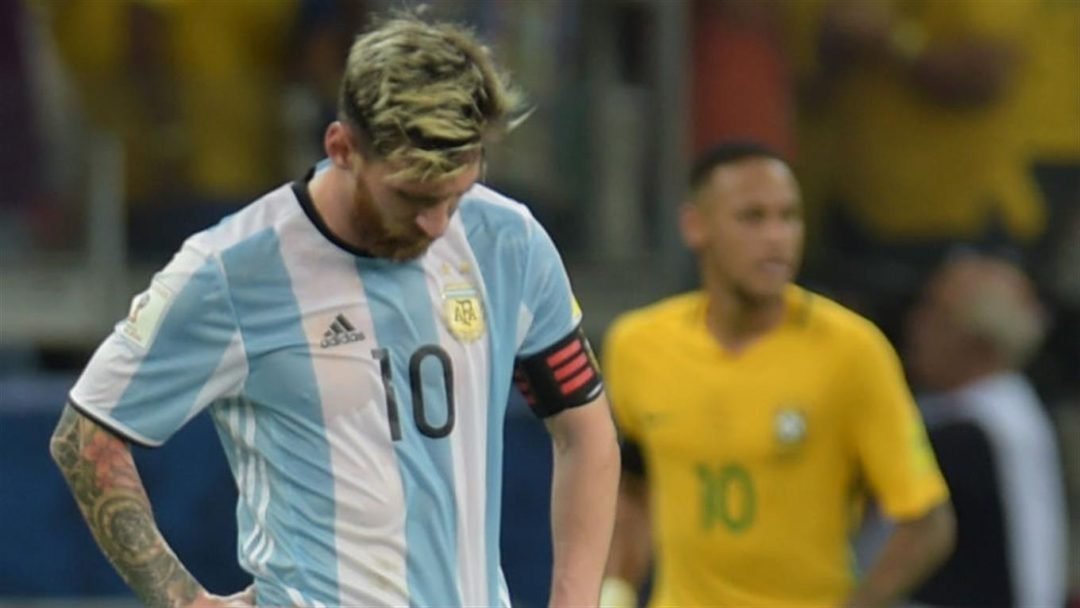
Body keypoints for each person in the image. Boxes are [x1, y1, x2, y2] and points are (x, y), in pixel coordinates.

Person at [48, 13, 620, 608]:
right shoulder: (232, 269)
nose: (437, 223)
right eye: (413, 198)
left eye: (457, 192)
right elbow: (85, 437)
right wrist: (183, 600)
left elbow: (585, 430)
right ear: (342, 147)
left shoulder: (509, 241)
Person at [599, 141, 956, 608]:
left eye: (788, 217)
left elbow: (927, 520)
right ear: (696, 226)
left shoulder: (852, 351)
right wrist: (616, 593)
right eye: (752, 218)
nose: (776, 237)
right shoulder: (637, 346)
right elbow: (632, 485)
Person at [905, 254, 1068, 607]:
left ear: (979, 342)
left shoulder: (975, 434)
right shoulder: (1010, 410)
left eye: (935, 312)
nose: (915, 323)